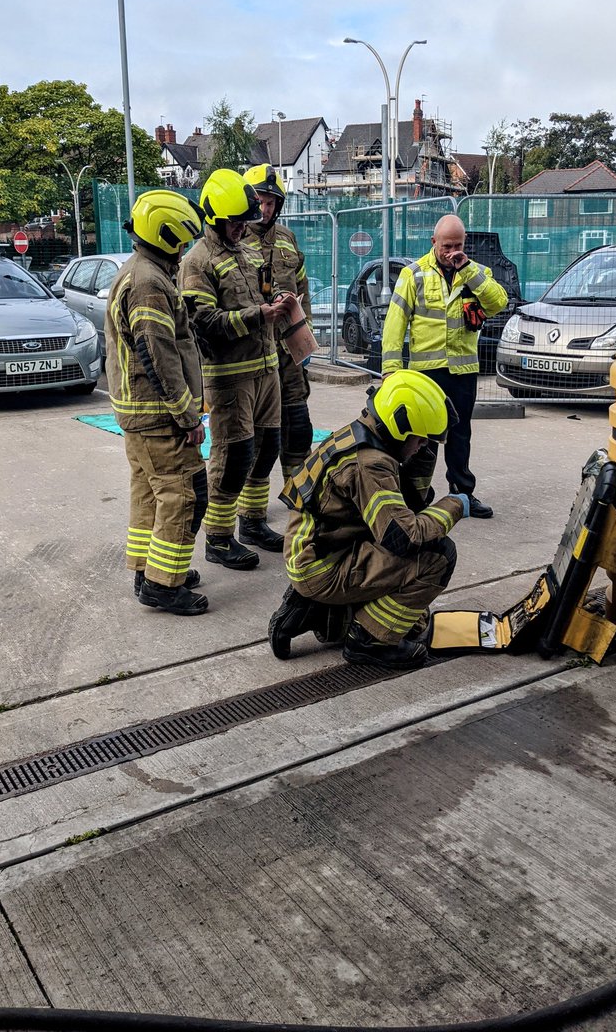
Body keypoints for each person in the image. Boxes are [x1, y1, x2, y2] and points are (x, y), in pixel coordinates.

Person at [267, 369, 470, 669]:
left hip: (319, 551)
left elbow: (405, 507)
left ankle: (314, 610)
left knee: (414, 620)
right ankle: (368, 642)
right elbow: (404, 537)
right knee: (438, 557)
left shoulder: (363, 434)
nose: (422, 447)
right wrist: (455, 505)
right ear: (400, 427)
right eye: (420, 439)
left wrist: (419, 467)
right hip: (323, 564)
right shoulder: (371, 465)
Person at [179, 168, 291, 570]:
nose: (243, 228)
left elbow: (263, 294)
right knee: (233, 458)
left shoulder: (248, 252)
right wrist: (261, 314)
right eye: (236, 222)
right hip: (230, 377)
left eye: (246, 221)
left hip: (266, 370)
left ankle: (253, 522)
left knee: (268, 448)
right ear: (213, 218)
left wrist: (278, 301)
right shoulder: (198, 261)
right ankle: (219, 538)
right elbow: (203, 322)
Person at [104, 189, 208, 616]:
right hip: (158, 416)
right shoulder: (148, 283)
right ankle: (164, 585)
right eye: (182, 240)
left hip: (140, 414)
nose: (184, 249)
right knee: (184, 495)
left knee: (150, 494)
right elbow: (158, 355)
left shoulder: (142, 270)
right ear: (166, 236)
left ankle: (152, 570)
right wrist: (188, 416)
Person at [381, 213, 507, 518]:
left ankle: (462, 494)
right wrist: (391, 370)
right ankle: (416, 496)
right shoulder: (414, 274)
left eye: (458, 245)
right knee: (422, 438)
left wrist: (467, 269)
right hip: (427, 373)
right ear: (433, 242)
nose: (452, 252)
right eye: (446, 246)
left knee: (460, 435)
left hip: (463, 372)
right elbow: (395, 323)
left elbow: (498, 303)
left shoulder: (476, 272)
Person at [243, 164, 314, 479]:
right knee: (258, 435)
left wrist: (305, 337)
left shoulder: (287, 238)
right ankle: (251, 502)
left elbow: (302, 287)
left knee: (298, 427)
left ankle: (296, 493)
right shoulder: (235, 237)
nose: (265, 209)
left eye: (271, 202)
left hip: (288, 353)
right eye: (260, 201)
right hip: (253, 355)